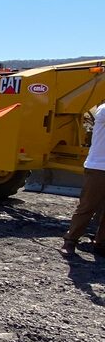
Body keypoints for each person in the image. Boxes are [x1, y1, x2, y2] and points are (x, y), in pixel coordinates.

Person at [61, 102, 105, 256]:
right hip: (99, 167)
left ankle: (101, 243)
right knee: (88, 206)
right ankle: (70, 240)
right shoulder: (104, 109)